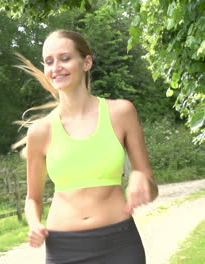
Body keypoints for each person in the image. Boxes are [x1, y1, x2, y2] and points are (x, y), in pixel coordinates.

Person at [15, 30, 158, 263]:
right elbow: (33, 199)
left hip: (119, 244)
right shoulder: (40, 132)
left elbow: (152, 189)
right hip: (63, 248)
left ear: (87, 62)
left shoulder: (121, 113)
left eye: (65, 58)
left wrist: (141, 179)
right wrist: (34, 223)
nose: (56, 67)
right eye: (49, 61)